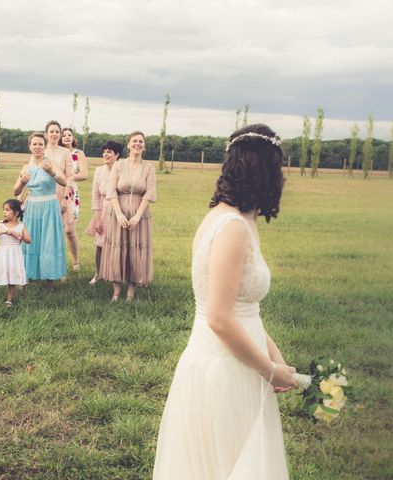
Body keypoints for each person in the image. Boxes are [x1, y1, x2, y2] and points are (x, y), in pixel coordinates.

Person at [152, 124, 298, 480]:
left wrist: (276, 358)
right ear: (262, 168)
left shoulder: (242, 219)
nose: (280, 177)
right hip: (224, 370)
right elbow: (219, 317)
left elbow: (246, 309)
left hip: (243, 358)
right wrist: (268, 370)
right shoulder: (231, 226)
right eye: (277, 168)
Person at [100, 131, 155, 302]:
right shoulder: (119, 165)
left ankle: (131, 293)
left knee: (136, 250)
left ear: (144, 146)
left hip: (139, 214)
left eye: (141, 141)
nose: (137, 144)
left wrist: (138, 216)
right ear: (128, 145)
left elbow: (149, 193)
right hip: (118, 212)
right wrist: (118, 213)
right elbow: (111, 190)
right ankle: (116, 292)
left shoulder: (149, 167)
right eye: (134, 141)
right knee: (117, 249)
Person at [13, 132, 67, 289]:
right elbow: (15, 192)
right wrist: (22, 183)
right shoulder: (26, 167)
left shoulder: (50, 163)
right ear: (30, 146)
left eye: (40, 144)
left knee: (48, 241)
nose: (37, 147)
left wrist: (52, 172)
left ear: (45, 146)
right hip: (32, 208)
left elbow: (63, 181)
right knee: (30, 240)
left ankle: (49, 279)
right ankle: (26, 277)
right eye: (34, 144)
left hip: (49, 206)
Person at [86, 140, 122, 285]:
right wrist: (97, 219)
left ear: (117, 155)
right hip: (102, 210)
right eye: (104, 151)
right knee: (100, 246)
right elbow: (95, 195)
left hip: (118, 210)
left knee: (118, 246)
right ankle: (98, 274)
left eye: (109, 152)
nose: (106, 154)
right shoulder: (99, 171)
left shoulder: (122, 170)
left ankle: (117, 275)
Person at [44, 121, 78, 271]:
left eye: (57, 131)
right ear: (46, 134)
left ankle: (62, 267)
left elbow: (70, 177)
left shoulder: (65, 153)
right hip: (44, 194)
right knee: (46, 233)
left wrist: (65, 199)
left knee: (64, 232)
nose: (54, 134)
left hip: (61, 194)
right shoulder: (41, 150)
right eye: (51, 131)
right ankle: (47, 266)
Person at [0, 199, 30, 306]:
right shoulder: (1, 224)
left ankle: (9, 300)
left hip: (14, 254)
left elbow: (28, 240)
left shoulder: (21, 226)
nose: (4, 212)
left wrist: (16, 234)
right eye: (3, 210)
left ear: (16, 213)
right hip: (2, 254)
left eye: (7, 210)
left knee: (12, 277)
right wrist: (2, 231)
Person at [59, 127, 89, 268]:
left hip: (71, 192)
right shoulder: (56, 152)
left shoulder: (78, 153)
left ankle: (76, 262)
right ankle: (58, 263)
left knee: (69, 230)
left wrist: (66, 177)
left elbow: (84, 175)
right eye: (64, 135)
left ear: (73, 137)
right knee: (56, 230)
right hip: (55, 191)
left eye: (69, 135)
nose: (66, 137)